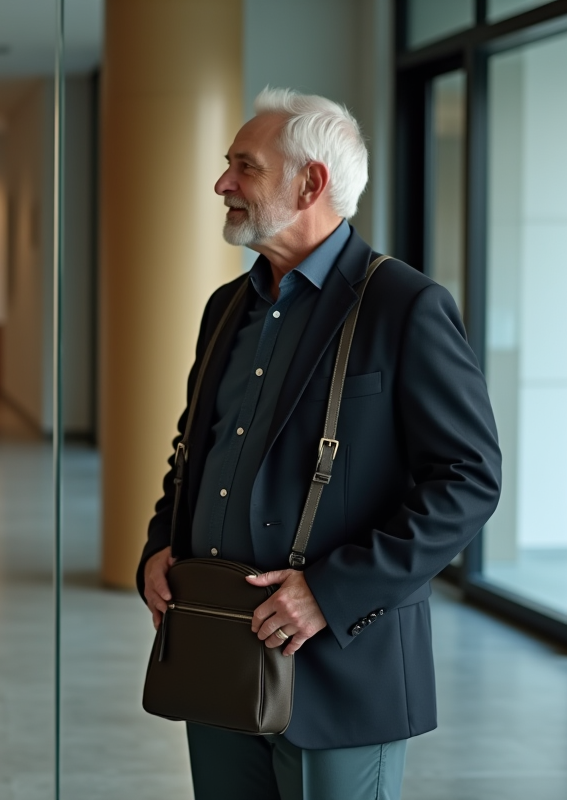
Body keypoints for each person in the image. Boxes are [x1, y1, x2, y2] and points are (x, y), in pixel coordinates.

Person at [138, 87, 502, 800]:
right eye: (227, 166)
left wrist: (332, 594)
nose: (223, 184)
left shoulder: (404, 305)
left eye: (245, 167)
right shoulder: (226, 308)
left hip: (340, 665)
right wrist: (162, 541)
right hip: (219, 653)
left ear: (311, 182)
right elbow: (194, 446)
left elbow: (467, 480)